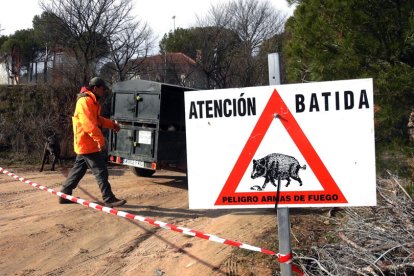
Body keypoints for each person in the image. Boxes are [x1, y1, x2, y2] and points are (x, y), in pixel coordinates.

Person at [59, 77, 126, 207]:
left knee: (78, 171)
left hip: (85, 143)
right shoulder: (85, 101)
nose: (104, 91)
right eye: (103, 89)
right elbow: (88, 124)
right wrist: (100, 140)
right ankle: (109, 198)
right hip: (87, 143)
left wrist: (112, 125)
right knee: (101, 170)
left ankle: (64, 194)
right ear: (95, 88)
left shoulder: (92, 101)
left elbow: (97, 119)